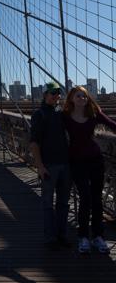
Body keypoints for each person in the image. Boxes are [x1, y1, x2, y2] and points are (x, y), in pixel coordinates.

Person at [63, 86, 116, 254]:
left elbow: (112, 125)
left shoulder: (93, 113)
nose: (82, 99)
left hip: (95, 160)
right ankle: (83, 236)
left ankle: (98, 236)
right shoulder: (64, 117)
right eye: (78, 96)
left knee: (97, 199)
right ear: (71, 98)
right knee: (85, 197)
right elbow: (52, 133)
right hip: (77, 162)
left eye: (84, 96)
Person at [30, 81, 70, 249]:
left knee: (64, 203)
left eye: (58, 93)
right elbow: (34, 143)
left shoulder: (61, 114)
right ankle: (50, 237)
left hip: (66, 165)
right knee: (48, 203)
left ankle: (61, 235)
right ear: (45, 95)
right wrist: (40, 166)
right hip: (49, 166)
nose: (56, 96)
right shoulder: (39, 115)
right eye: (53, 93)